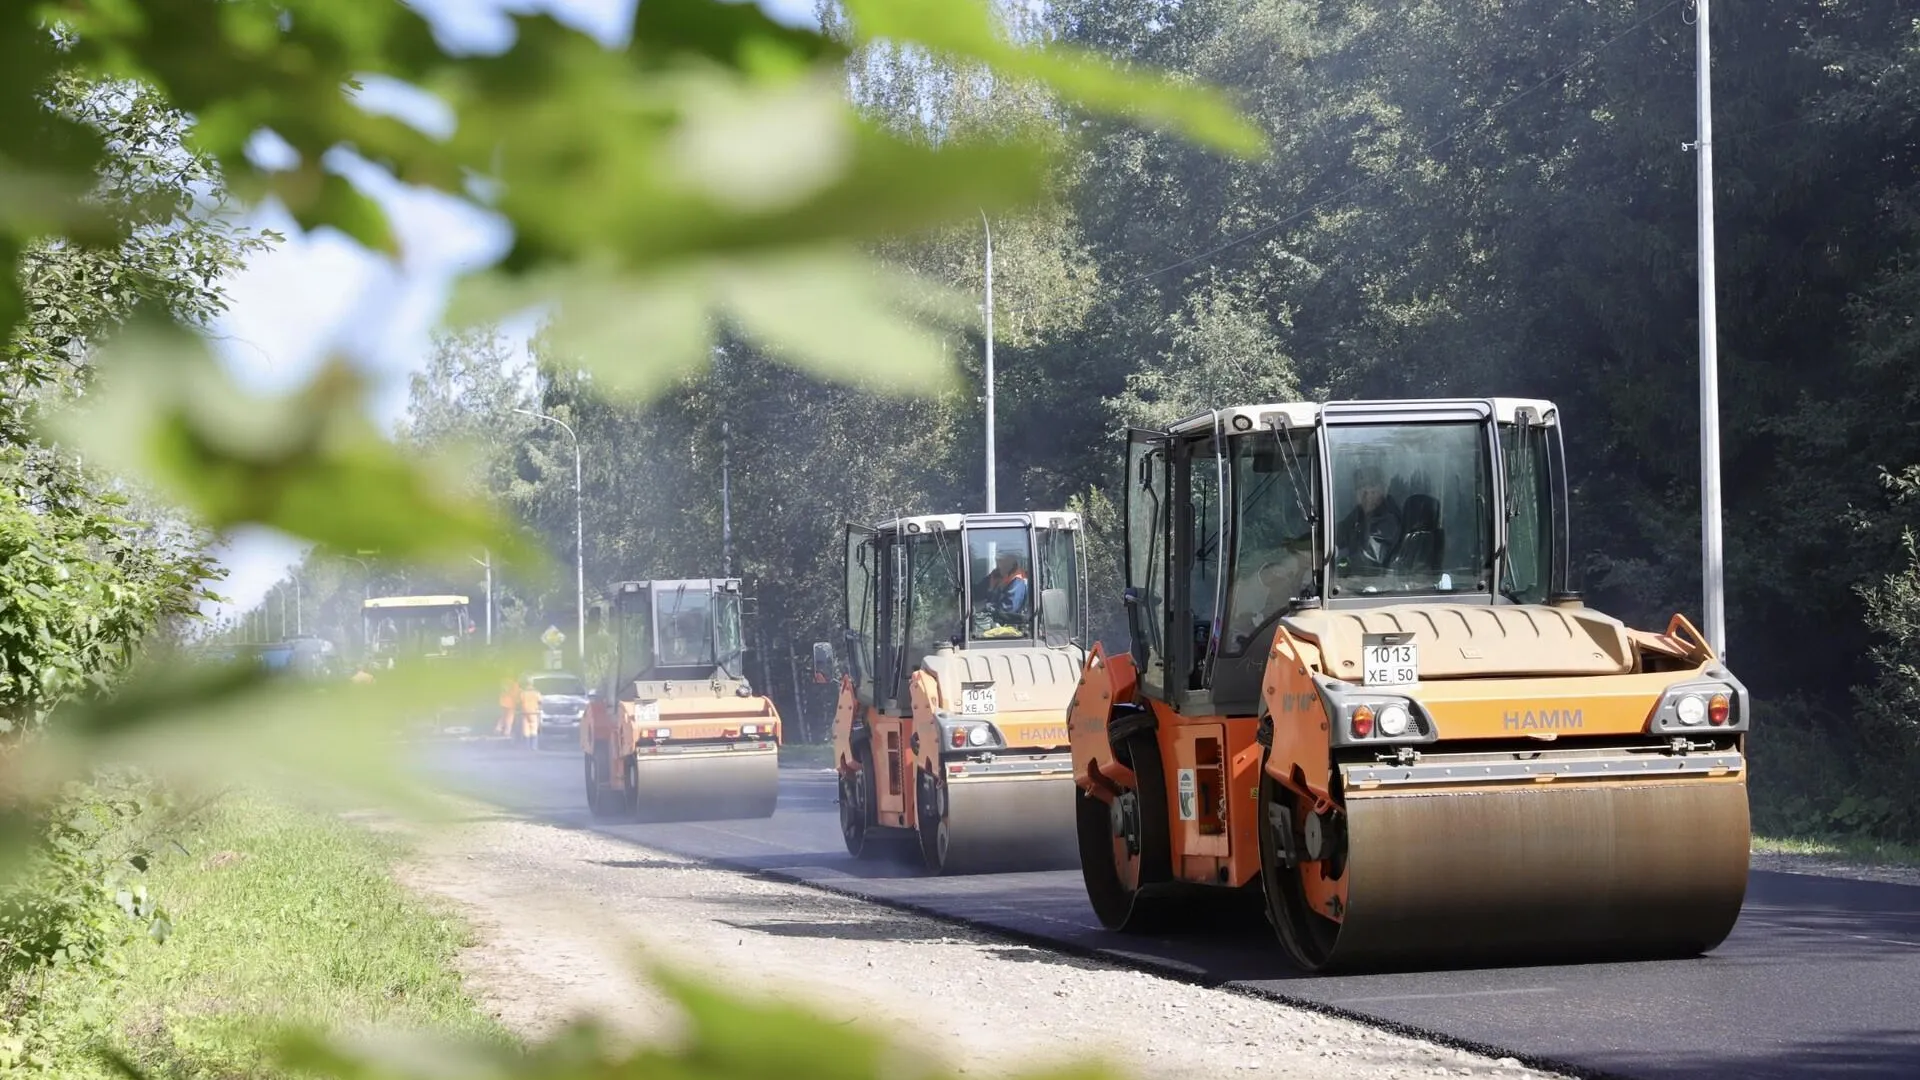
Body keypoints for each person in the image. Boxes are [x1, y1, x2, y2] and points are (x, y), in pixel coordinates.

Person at [1336, 464, 1402, 573]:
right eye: (1361, 486)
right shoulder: (1359, 515)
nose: (1366, 492)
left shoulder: (1389, 521)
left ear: (1383, 489)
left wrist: (1342, 562)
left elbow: (1369, 563)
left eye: (1372, 485)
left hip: (1375, 583)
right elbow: (1338, 533)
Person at [973, 550, 1030, 637]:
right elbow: (978, 591)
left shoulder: (1018, 581)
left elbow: (1008, 609)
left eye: (1002, 558)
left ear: (1012, 560)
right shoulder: (997, 574)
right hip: (993, 621)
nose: (998, 560)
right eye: (998, 557)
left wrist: (986, 607)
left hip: (1010, 629)